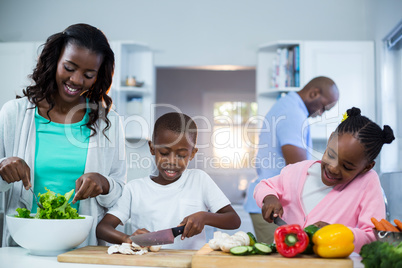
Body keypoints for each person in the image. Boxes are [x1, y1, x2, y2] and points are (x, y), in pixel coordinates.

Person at [0, 23, 126, 246]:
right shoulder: (14, 114)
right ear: (54, 60)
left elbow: (121, 195)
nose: (77, 80)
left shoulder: (110, 123)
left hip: (83, 246)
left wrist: (104, 183)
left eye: (88, 74)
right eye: (69, 68)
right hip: (24, 244)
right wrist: (3, 168)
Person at [254, 107, 395, 252]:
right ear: (330, 139)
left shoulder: (367, 182)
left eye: (347, 167)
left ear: (367, 167)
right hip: (286, 257)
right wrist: (269, 197)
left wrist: (340, 233)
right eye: (331, 155)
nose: (333, 168)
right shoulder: (297, 170)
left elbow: (372, 236)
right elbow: (265, 185)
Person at [96, 112, 241, 250]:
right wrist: (127, 239)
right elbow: (103, 229)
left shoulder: (199, 180)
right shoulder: (135, 189)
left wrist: (205, 217)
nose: (172, 162)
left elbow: (234, 219)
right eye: (164, 153)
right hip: (146, 263)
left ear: (192, 154)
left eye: (181, 155)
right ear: (152, 148)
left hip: (190, 263)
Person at [244, 76, 339, 243]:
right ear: (313, 93)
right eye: (324, 107)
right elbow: (298, 167)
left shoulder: (288, 106)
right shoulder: (292, 113)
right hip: (272, 206)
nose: (321, 114)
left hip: (273, 203)